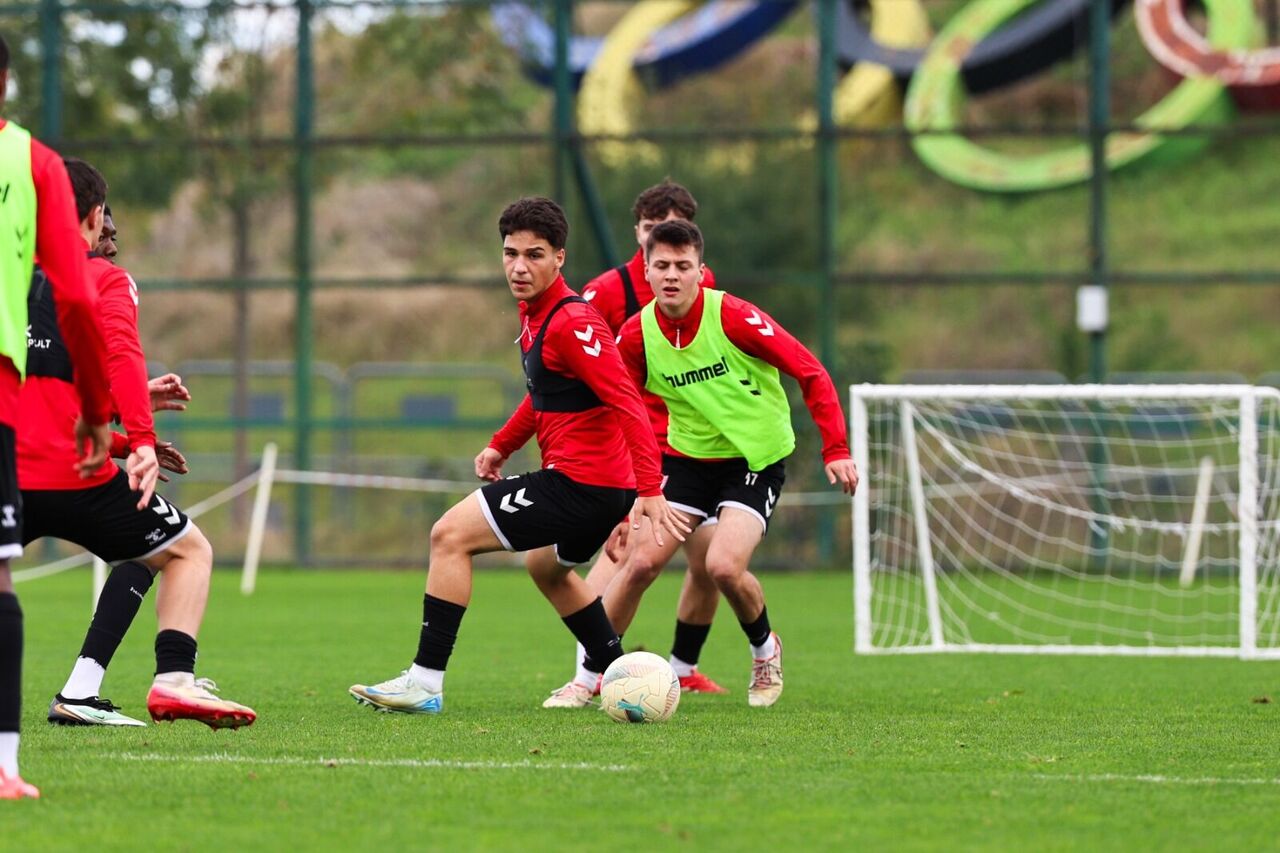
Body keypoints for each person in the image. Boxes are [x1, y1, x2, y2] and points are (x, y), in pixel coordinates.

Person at [349, 197, 688, 714]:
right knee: (547, 569)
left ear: (560, 259)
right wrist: (501, 444)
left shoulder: (574, 321)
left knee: (449, 535)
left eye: (534, 254)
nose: (519, 266)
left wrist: (649, 491)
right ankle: (614, 672)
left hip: (585, 484)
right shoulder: (539, 316)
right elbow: (544, 395)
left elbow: (626, 400)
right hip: (596, 485)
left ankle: (424, 681)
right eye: (510, 253)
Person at [19, 159, 255, 730]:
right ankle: (174, 681)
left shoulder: (11, 279)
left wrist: (127, 423)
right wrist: (141, 442)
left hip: (11, 472)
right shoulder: (104, 279)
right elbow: (122, 352)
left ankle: (81, 690)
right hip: (79, 473)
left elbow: (43, 387)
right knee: (186, 551)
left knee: (140, 556)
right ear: (96, 217)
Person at [611, 219, 858, 707]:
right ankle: (591, 674)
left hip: (753, 459)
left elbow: (810, 370)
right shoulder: (636, 335)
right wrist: (627, 496)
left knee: (722, 566)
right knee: (639, 563)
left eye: (684, 266)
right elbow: (620, 409)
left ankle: (765, 650)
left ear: (701, 271)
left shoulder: (733, 317)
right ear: (646, 270)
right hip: (686, 461)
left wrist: (837, 448)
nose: (672, 276)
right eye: (662, 266)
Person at [544, 180, 727, 707]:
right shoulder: (605, 293)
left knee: (712, 561)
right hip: (634, 448)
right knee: (630, 558)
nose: (663, 255)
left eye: (674, 242)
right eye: (651, 233)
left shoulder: (704, 286)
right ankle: (587, 672)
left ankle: (683, 668)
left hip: (694, 447)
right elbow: (576, 370)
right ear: (637, 235)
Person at [0, 33, 114, 800]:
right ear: (7, 80)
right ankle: (2, 767)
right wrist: (100, 410)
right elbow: (75, 297)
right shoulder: (33, 164)